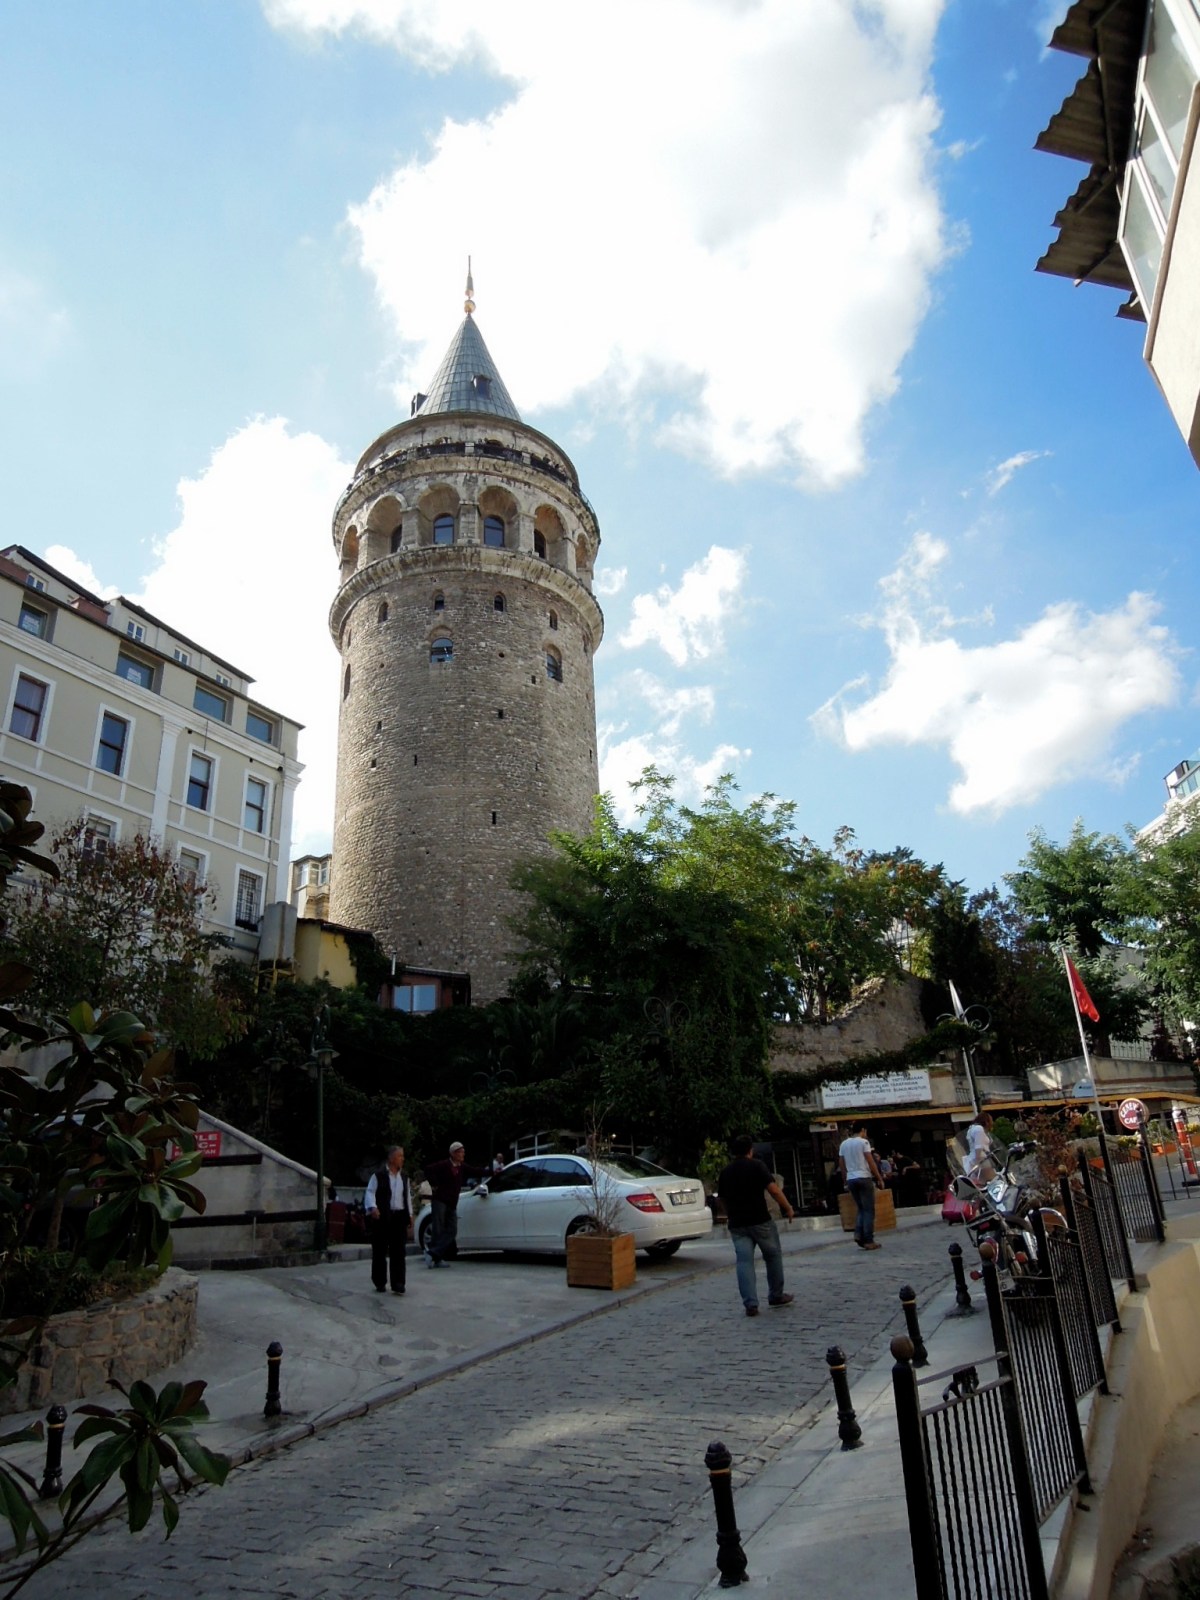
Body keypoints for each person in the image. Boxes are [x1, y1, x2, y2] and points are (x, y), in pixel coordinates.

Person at [717, 1134, 796, 1317]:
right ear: (750, 1150)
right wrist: (788, 1208)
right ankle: (776, 1295)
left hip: (737, 1224)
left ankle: (750, 1304)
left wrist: (729, 1214)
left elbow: (721, 1199)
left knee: (744, 1262)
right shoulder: (757, 1166)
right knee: (773, 1255)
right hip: (760, 1220)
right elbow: (774, 1190)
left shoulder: (726, 1172)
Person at [422, 1140, 487, 1266]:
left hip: (452, 1202)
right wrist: (434, 1184)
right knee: (438, 1229)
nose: (463, 1155)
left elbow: (475, 1171)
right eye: (461, 1152)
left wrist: (491, 1172)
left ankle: (433, 1253)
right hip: (440, 1200)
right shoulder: (444, 1165)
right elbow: (428, 1170)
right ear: (453, 1153)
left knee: (452, 1230)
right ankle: (436, 1259)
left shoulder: (462, 1167)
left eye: (463, 1152)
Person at [364, 1145, 412, 1294]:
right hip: (383, 1216)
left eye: (402, 1156)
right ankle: (379, 1281)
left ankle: (398, 1283)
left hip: (399, 1216)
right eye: (400, 1156)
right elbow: (370, 1192)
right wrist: (373, 1207)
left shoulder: (404, 1178)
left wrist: (410, 1215)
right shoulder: (378, 1176)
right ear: (391, 1158)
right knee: (380, 1250)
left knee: (399, 1251)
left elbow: (407, 1197)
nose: (402, 1159)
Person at [838, 1123, 885, 1250]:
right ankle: (869, 1239)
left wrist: (845, 1180)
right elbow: (870, 1161)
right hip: (864, 1177)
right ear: (863, 1130)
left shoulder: (844, 1144)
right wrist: (879, 1178)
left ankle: (858, 1233)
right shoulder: (863, 1143)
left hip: (851, 1178)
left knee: (861, 1208)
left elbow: (841, 1164)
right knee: (869, 1209)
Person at [966, 1111, 995, 1181]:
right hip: (981, 1159)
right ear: (986, 1121)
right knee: (992, 1180)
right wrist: (979, 1163)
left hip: (974, 1159)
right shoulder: (979, 1129)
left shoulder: (972, 1129)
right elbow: (978, 1148)